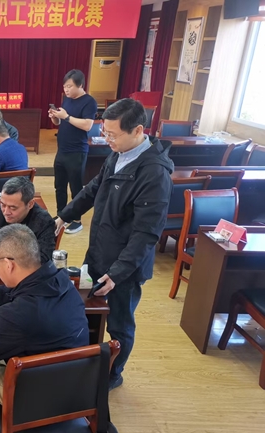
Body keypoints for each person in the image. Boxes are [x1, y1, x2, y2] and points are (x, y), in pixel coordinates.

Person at [56, 98, 173, 391]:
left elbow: (146, 233)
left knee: (120, 323)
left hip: (125, 267)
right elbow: (94, 189)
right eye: (104, 132)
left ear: (138, 130)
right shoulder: (118, 153)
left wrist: (118, 273)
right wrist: (64, 216)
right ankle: (84, 362)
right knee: (83, 308)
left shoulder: (154, 173)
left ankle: (113, 374)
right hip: (99, 250)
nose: (106, 140)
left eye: (112, 134)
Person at [0, 224, 89, 433]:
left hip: (39, 399)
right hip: (76, 386)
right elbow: (30, 291)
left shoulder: (19, 314)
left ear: (8, 264)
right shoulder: (62, 280)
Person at [49, 69, 98, 234]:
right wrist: (56, 118)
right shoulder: (67, 100)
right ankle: (61, 216)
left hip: (77, 151)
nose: (66, 89)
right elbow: (61, 123)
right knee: (59, 186)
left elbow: (87, 125)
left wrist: (66, 117)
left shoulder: (89, 102)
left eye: (69, 86)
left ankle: (77, 220)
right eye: (65, 86)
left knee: (76, 187)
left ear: (80, 85)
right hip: (62, 150)